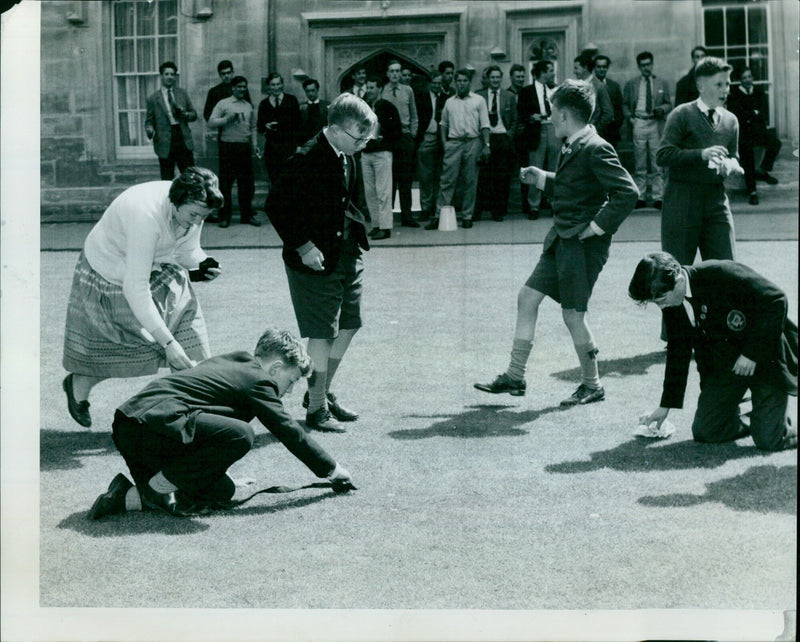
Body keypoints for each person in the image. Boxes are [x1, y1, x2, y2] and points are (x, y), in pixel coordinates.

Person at [474, 80, 637, 405]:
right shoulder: (575, 142)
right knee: (527, 297)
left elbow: (628, 193)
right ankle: (515, 376)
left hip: (582, 246)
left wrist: (597, 227)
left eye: (552, 112)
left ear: (563, 116)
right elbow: (574, 186)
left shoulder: (596, 146)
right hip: (561, 241)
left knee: (573, 316)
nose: (549, 118)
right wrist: (544, 178)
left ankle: (593, 385)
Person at [87, 327, 356, 519]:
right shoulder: (259, 380)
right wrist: (332, 470)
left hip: (135, 428)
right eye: (292, 380)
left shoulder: (237, 360)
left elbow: (208, 425)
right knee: (242, 435)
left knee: (223, 490)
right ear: (275, 368)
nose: (289, 391)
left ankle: (125, 496)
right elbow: (289, 431)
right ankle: (158, 489)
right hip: (151, 428)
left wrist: (214, 471)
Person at [62, 168, 224, 428]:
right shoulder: (145, 216)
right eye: (193, 214)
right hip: (114, 270)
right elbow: (135, 288)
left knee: (193, 347)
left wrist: (200, 263)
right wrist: (167, 342)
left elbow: (187, 249)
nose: (196, 221)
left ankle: (191, 420)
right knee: (138, 346)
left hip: (157, 266)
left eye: (202, 217)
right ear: (175, 201)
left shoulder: (195, 205)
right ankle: (78, 383)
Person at [266, 93, 377, 433]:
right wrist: (303, 246)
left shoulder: (347, 152)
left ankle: (321, 391)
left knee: (350, 323)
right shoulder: (306, 157)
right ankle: (316, 409)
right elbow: (275, 205)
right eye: (360, 138)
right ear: (338, 129)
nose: (364, 145)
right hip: (312, 259)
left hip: (345, 253)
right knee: (322, 333)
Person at [629, 252, 797, 452]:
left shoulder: (721, 272)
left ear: (679, 280)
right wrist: (665, 406)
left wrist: (751, 354)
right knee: (707, 430)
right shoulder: (672, 304)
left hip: (765, 358)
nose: (661, 306)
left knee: (770, 441)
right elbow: (678, 352)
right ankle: (763, 418)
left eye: (661, 299)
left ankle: (774, 425)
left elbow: (777, 300)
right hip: (729, 366)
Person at [656, 57, 742, 267]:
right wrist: (701, 154)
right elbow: (663, 155)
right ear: (700, 86)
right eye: (719, 84)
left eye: (728, 84)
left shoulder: (731, 121)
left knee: (726, 269)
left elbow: (734, 156)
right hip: (682, 200)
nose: (725, 90)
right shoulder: (681, 114)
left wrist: (730, 165)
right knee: (677, 271)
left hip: (716, 200)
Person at [425, 68, 491, 230]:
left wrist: (486, 145)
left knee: (470, 180)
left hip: (473, 142)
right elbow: (443, 124)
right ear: (455, 82)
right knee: (447, 180)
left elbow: (484, 124)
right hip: (454, 143)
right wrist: (444, 142)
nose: (461, 84)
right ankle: (438, 216)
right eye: (459, 81)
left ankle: (467, 216)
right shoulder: (449, 102)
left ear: (469, 82)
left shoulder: (479, 100)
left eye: (464, 81)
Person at [207, 75, 261, 228]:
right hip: (228, 147)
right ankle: (225, 217)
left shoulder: (248, 106)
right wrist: (226, 120)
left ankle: (247, 215)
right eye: (239, 87)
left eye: (244, 87)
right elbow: (211, 122)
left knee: (247, 185)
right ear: (233, 88)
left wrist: (255, 145)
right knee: (225, 184)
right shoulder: (223, 104)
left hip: (244, 147)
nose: (242, 89)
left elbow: (253, 128)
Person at [623, 51, 673, 209]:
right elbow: (624, 104)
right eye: (643, 65)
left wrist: (662, 109)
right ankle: (641, 195)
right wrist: (630, 118)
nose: (646, 68)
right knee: (640, 162)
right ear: (639, 67)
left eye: (648, 64)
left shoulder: (661, 83)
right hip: (639, 122)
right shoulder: (632, 84)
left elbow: (668, 103)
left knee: (657, 160)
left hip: (655, 123)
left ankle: (659, 196)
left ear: (652, 64)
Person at [726, 67, 782, 206]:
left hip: (757, 130)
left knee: (775, 143)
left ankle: (762, 169)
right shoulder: (733, 95)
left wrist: (751, 114)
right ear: (740, 80)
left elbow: (762, 113)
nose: (747, 80)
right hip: (743, 133)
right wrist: (753, 114)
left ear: (752, 78)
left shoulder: (759, 92)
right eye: (744, 77)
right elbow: (737, 116)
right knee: (747, 154)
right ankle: (752, 192)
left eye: (749, 76)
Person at [516, 60, 559, 219]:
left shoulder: (556, 90)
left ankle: (555, 204)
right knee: (535, 168)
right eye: (550, 70)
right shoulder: (526, 91)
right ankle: (534, 206)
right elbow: (520, 113)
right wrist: (530, 117)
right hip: (536, 131)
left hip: (554, 129)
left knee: (554, 169)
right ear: (541, 72)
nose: (553, 73)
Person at [379, 60, 419, 228]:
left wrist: (412, 135)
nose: (395, 74)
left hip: (405, 137)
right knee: (389, 179)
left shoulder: (408, 90)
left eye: (398, 71)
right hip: (389, 139)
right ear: (387, 74)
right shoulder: (382, 91)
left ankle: (407, 216)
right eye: (392, 71)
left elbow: (414, 115)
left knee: (405, 178)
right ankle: (388, 217)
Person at [362, 76, 402, 240]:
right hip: (366, 153)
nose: (369, 91)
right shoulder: (363, 107)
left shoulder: (387, 106)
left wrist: (385, 138)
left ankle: (385, 227)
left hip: (382, 153)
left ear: (379, 88)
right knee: (370, 192)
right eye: (368, 88)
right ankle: (376, 224)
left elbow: (397, 130)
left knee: (383, 191)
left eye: (372, 88)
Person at [475, 65, 517, 222]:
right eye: (492, 77)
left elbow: (514, 119)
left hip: (502, 137)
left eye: (498, 77)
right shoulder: (479, 96)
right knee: (483, 176)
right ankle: (479, 210)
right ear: (487, 79)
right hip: (485, 138)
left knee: (501, 176)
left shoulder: (509, 96)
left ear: (501, 78)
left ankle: (498, 211)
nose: (495, 80)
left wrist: (509, 136)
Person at [145, 62, 197, 180]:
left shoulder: (182, 93)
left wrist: (186, 114)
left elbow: (194, 114)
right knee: (167, 179)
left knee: (190, 176)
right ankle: (169, 199)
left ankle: (190, 198)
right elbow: (149, 121)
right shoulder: (153, 99)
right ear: (161, 76)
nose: (169, 77)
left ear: (175, 77)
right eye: (166, 74)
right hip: (164, 141)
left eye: (172, 74)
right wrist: (149, 129)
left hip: (182, 138)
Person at [257, 72, 302, 188]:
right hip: (272, 149)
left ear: (282, 85)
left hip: (289, 147)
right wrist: (266, 126)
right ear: (268, 86)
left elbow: (298, 124)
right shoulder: (264, 104)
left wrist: (298, 146)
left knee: (289, 180)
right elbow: (259, 127)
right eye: (273, 85)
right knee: (274, 180)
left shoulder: (291, 100)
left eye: (278, 84)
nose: (276, 87)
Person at [415, 73, 447, 221]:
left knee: (439, 176)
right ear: (429, 84)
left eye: (439, 83)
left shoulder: (446, 98)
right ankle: (425, 208)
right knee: (425, 176)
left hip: (441, 140)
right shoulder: (421, 98)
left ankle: (436, 207)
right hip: (426, 139)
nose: (436, 86)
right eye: (434, 83)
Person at [572, 53, 614, 139]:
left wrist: (594, 130)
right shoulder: (577, 85)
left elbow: (608, 114)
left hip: (592, 136)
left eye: (576, 68)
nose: (574, 71)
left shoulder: (599, 86)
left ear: (585, 68)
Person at [203, 60, 252, 124]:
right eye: (223, 73)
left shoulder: (241, 89)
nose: (226, 76)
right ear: (219, 75)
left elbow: (248, 107)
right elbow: (207, 114)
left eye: (228, 73)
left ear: (232, 73)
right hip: (221, 127)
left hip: (239, 125)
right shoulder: (213, 91)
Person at [593, 55, 624, 147]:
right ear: (594, 68)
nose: (602, 69)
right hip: (594, 132)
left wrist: (615, 126)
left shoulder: (614, 86)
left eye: (604, 67)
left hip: (611, 133)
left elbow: (619, 110)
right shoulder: (589, 85)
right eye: (599, 67)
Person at [298, 78, 330, 145]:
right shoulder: (300, 107)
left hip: (323, 142)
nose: (310, 93)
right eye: (308, 91)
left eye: (313, 90)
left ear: (317, 90)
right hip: (306, 143)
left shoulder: (326, 106)